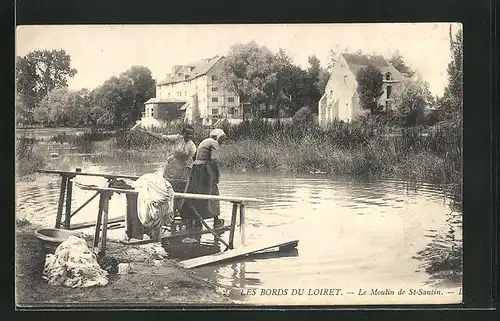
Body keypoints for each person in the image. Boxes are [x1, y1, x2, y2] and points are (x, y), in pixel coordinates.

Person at [136, 124, 197, 212]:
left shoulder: (192, 146)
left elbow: (190, 161)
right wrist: (148, 133)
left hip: (182, 169)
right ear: (182, 133)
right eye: (187, 134)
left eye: (191, 134)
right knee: (166, 187)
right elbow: (163, 137)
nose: (189, 136)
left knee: (179, 188)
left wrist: (188, 174)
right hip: (171, 165)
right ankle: (165, 209)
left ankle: (177, 210)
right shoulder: (177, 138)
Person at [179, 128, 226, 229]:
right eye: (222, 139)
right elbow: (214, 160)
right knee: (213, 193)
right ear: (218, 137)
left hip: (196, 169)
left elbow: (194, 157)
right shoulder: (214, 143)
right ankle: (216, 221)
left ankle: (196, 221)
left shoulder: (204, 141)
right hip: (205, 170)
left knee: (196, 194)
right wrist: (216, 176)